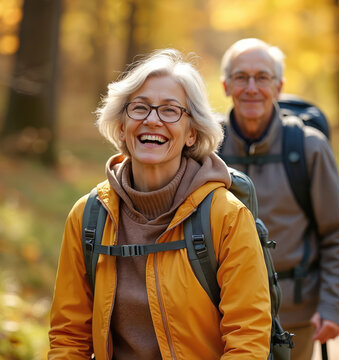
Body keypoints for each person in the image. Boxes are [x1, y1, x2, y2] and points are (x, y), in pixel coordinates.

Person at [48, 49, 272, 359]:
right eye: (139, 108)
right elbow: (68, 336)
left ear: (191, 133)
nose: (152, 120)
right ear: (122, 125)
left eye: (170, 111)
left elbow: (247, 338)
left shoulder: (227, 218)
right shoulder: (88, 217)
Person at [219, 38, 339, 360]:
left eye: (262, 77)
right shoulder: (205, 149)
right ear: (226, 86)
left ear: (279, 87)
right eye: (241, 77)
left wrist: (332, 307)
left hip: (295, 316)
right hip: (222, 312)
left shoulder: (309, 148)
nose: (251, 87)